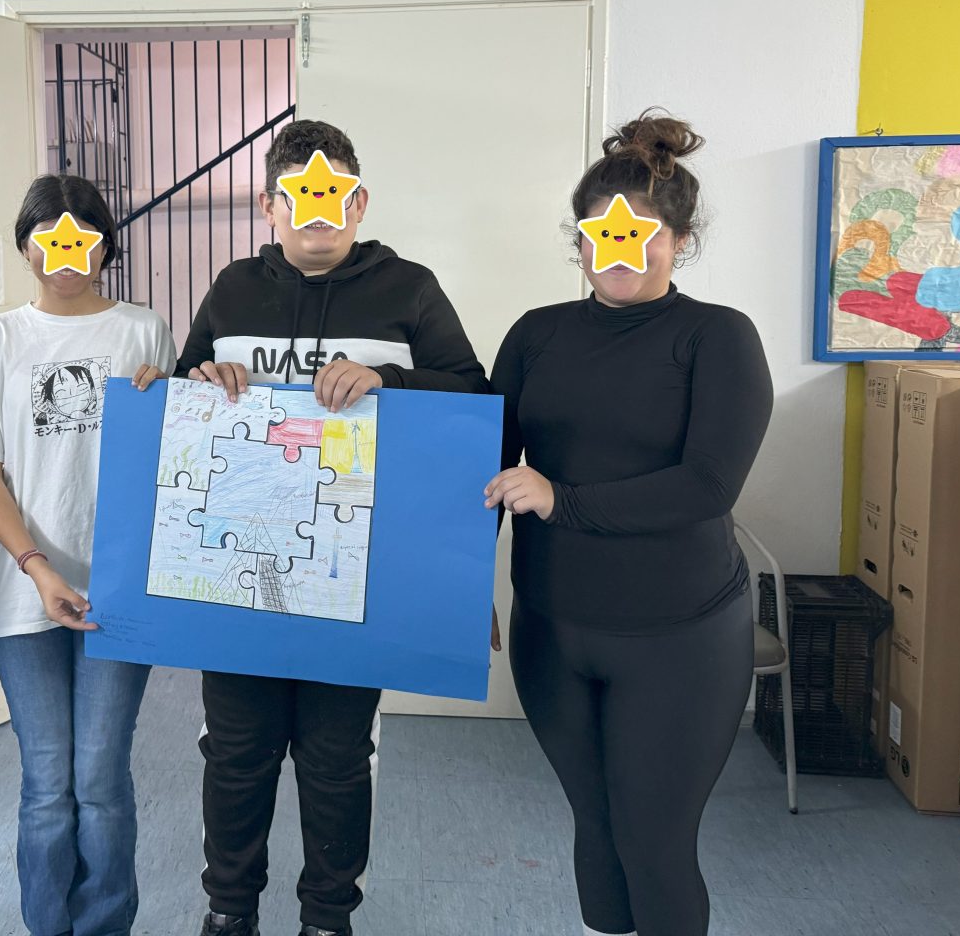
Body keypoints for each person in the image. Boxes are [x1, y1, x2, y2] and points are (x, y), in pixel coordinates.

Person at [177, 119, 489, 936]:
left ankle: (327, 917)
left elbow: (472, 395)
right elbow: (182, 399)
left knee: (338, 758)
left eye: (336, 195)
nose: (320, 211)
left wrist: (388, 379)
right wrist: (203, 375)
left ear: (359, 201)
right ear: (269, 205)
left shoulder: (410, 288)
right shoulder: (232, 289)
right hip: (239, 575)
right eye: (300, 196)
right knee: (235, 755)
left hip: (357, 574)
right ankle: (229, 911)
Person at [485, 111, 773, 936]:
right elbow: (485, 468)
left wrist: (563, 501)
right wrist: (457, 591)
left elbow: (707, 486)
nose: (620, 252)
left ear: (679, 240)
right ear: (579, 241)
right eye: (602, 235)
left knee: (655, 840)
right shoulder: (536, 336)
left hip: (680, 637)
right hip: (552, 631)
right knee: (597, 826)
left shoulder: (718, 337)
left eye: (642, 235)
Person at [0, 173, 176, 936]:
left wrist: (172, 400)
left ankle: (105, 925)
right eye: (50, 241)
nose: (67, 256)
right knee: (48, 784)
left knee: (102, 780)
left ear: (106, 245)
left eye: (83, 240)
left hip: (120, 589)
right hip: (25, 591)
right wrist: (37, 567)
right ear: (26, 246)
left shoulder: (144, 330)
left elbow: (171, 457)